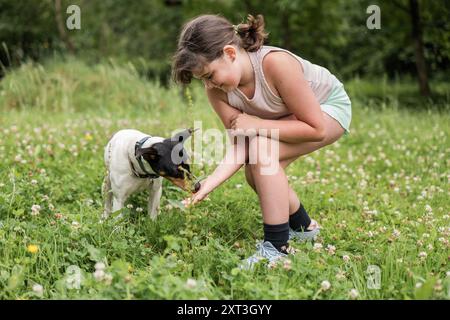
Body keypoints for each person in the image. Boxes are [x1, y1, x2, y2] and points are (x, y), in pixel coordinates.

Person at [172, 14, 351, 269]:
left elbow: (316, 128)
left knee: (261, 149)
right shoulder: (216, 91)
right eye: (203, 80)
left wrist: (257, 125)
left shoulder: (275, 64)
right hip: (289, 119)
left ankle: (277, 248)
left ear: (230, 53)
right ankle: (304, 228)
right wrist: (209, 184)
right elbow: (240, 144)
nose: (210, 84)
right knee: (255, 170)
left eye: (210, 75)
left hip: (326, 109)